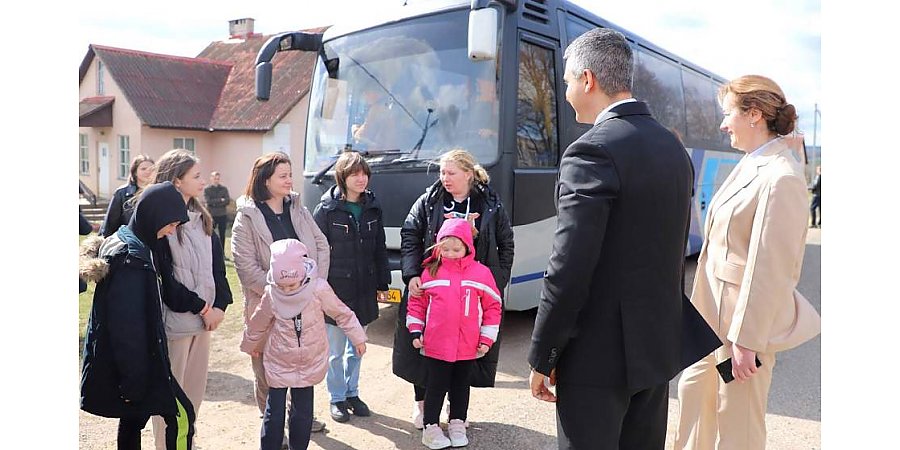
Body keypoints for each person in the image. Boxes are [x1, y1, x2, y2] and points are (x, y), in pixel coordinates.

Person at [527, 28, 694, 450]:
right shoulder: (673, 148)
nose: (564, 92)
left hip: (597, 355)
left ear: (588, 79)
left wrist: (543, 354)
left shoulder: (592, 150)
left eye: (565, 81)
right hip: (655, 347)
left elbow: (569, 265)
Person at [675, 75, 822, 450]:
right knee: (695, 405)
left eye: (729, 114)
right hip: (710, 318)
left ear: (754, 114)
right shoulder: (752, 163)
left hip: (738, 325)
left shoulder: (781, 176)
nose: (723, 124)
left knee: (738, 424)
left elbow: (772, 270)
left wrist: (748, 340)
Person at [393, 148, 514, 429]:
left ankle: (456, 411)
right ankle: (422, 405)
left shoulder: (489, 204)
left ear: (468, 175)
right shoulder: (429, 201)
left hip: (471, 290)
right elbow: (410, 235)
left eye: (450, 173)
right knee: (422, 348)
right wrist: (411, 274)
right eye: (442, 173)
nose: (444, 178)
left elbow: (506, 242)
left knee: (463, 352)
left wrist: (497, 281)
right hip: (433, 284)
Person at [80, 181, 196, 450]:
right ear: (155, 214)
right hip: (138, 367)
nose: (171, 231)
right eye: (171, 224)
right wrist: (133, 382)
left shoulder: (135, 243)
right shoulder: (130, 259)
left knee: (132, 422)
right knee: (181, 417)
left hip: (140, 365)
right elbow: (127, 329)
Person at [232, 151, 331, 433]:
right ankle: (273, 427)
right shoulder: (247, 218)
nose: (290, 180)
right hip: (267, 306)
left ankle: (301, 419)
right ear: (265, 180)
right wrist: (283, 294)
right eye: (283, 175)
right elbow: (246, 266)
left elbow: (321, 246)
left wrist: (313, 287)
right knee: (267, 371)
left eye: (290, 174)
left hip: (305, 306)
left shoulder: (298, 209)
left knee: (302, 361)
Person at [241, 239, 367, 450]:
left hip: (310, 359)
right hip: (279, 359)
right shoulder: (273, 293)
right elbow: (259, 321)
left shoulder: (318, 288)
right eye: (283, 286)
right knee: (275, 412)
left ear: (302, 274)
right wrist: (250, 345)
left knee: (303, 413)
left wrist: (357, 337)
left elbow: (341, 313)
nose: (287, 290)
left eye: (291, 285)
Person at [149, 149, 233, 450]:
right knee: (171, 397)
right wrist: (202, 308)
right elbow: (166, 281)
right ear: (176, 180)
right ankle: (165, 446)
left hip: (204, 323)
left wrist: (220, 306)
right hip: (176, 324)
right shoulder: (159, 223)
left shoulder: (202, 219)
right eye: (196, 176)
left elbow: (218, 270)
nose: (202, 181)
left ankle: (186, 442)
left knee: (194, 395)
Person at [406, 218, 502, 449]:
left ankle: (457, 421)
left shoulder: (481, 273)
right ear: (438, 247)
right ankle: (431, 426)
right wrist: (416, 330)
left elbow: (493, 307)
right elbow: (416, 304)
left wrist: (487, 338)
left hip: (467, 346)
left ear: (468, 247)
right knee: (435, 386)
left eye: (456, 249)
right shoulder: (430, 272)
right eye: (445, 248)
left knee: (461, 386)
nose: (450, 253)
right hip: (436, 344)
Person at [312, 152, 390, 423]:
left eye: (364, 173)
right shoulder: (325, 209)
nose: (361, 178)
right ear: (342, 177)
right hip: (336, 291)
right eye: (355, 173)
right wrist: (320, 290)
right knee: (334, 351)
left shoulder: (373, 206)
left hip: (365, 288)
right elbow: (317, 252)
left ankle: (352, 393)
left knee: (357, 346)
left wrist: (383, 281)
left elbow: (379, 247)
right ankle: (336, 398)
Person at [100, 154, 155, 237]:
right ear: (135, 172)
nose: (148, 172)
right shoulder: (122, 193)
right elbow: (110, 223)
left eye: (151, 169)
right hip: (128, 241)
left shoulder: (159, 192)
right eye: (143, 169)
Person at [204, 171, 232, 250]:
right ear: (211, 179)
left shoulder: (224, 189)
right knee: (210, 234)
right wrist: (220, 200)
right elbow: (208, 201)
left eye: (218, 179)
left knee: (222, 235)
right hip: (212, 215)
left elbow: (227, 201)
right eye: (214, 178)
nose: (216, 180)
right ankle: (211, 251)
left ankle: (222, 252)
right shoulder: (207, 189)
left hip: (222, 215)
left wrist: (215, 202)